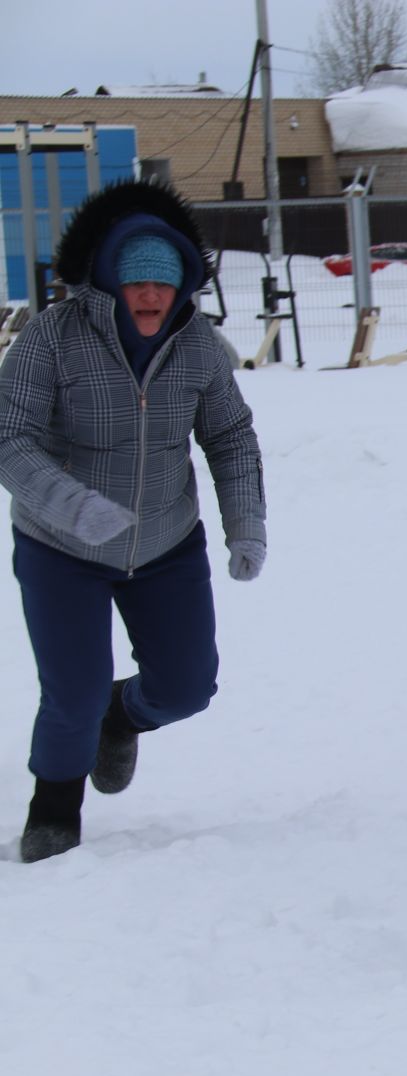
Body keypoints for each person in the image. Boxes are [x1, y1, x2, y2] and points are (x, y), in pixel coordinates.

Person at [0, 180, 266, 862]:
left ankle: (120, 718)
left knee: (186, 688)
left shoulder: (199, 347)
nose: (150, 297)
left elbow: (230, 435)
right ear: (111, 282)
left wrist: (246, 523)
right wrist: (69, 505)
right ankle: (54, 811)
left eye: (163, 284)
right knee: (72, 694)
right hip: (61, 547)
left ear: (183, 288)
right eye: (137, 283)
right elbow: (9, 437)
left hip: (166, 542)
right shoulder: (52, 338)